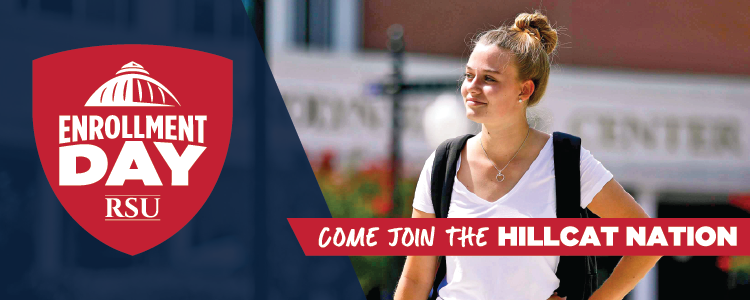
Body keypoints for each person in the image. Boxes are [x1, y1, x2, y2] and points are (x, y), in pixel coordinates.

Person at [394, 11, 661, 300]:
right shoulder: (443, 164)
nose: (472, 87)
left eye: (489, 79)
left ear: (524, 89)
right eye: (469, 75)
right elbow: (416, 277)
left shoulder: (567, 162)